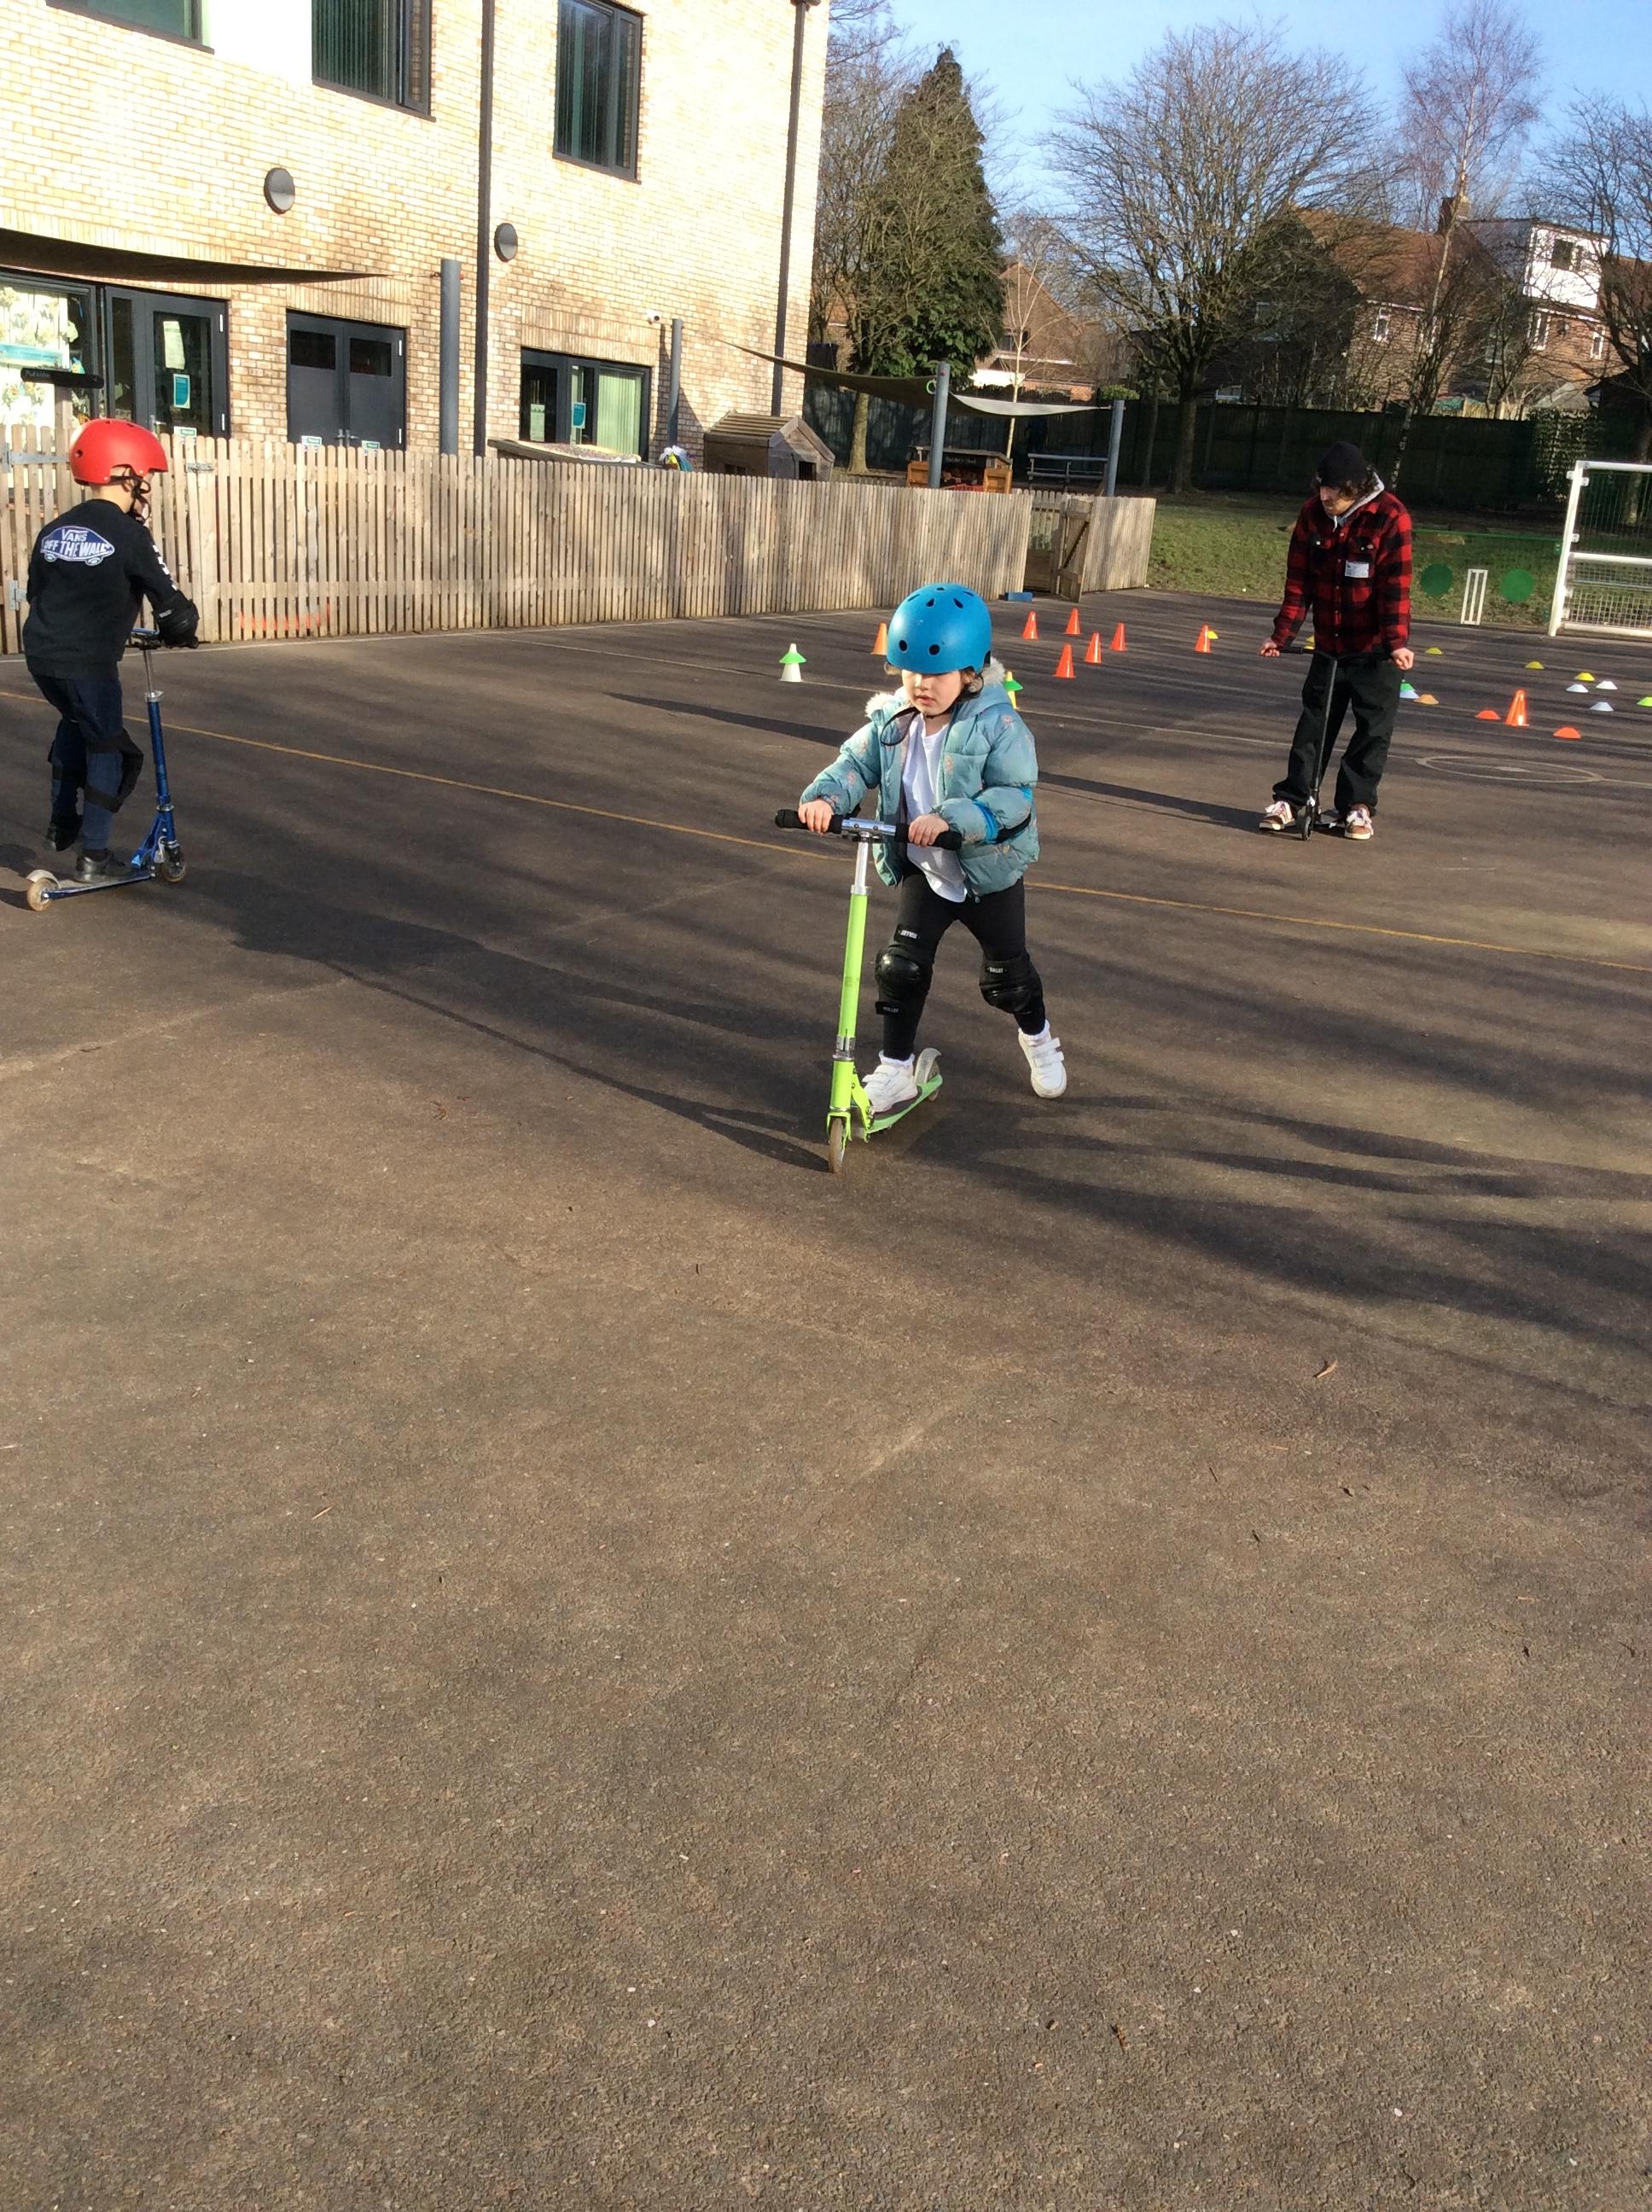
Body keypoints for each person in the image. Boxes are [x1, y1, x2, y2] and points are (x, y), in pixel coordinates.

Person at [796, 581, 1066, 1107]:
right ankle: (896, 1067)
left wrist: (950, 819)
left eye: (937, 673)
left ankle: (1038, 1039)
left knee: (1008, 978)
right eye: (912, 671)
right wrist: (826, 799)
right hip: (928, 871)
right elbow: (854, 764)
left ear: (969, 673)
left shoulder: (998, 724)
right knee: (901, 968)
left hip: (987, 872)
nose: (921, 684)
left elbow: (1015, 797)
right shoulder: (891, 723)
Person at [23, 418, 199, 884]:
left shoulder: (54, 529)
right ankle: (95, 856)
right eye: (145, 476)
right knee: (110, 749)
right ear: (124, 473)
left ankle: (62, 821)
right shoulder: (131, 534)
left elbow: (38, 593)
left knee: (75, 720)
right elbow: (173, 607)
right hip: (89, 662)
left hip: (41, 656)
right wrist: (180, 630)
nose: (146, 486)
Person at [1258, 439, 1414, 841]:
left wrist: (1395, 642)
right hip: (1330, 643)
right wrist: (1282, 635)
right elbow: (1299, 582)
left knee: (1372, 729)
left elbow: (1395, 588)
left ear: (1356, 489)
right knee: (1315, 722)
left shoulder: (1390, 517)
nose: (1326, 499)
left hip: (1375, 648)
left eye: (1335, 493)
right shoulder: (1312, 515)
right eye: (1322, 489)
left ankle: (1356, 806)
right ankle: (1292, 799)